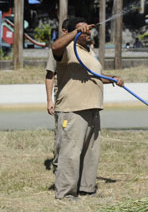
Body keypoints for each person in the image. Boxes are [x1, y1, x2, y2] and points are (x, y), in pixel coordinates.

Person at [51, 17, 124, 200]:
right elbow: (55, 47)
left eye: (87, 31)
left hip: (92, 108)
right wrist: (76, 32)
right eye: (83, 31)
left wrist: (113, 79)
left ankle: (86, 188)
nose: (87, 33)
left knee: (90, 152)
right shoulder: (67, 49)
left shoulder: (88, 53)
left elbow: (95, 76)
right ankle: (66, 194)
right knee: (71, 152)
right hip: (73, 109)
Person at [45, 18, 70, 173]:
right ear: (65, 32)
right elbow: (49, 75)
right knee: (61, 133)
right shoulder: (56, 49)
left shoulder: (84, 49)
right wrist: (49, 100)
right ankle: (57, 165)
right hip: (62, 100)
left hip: (78, 101)